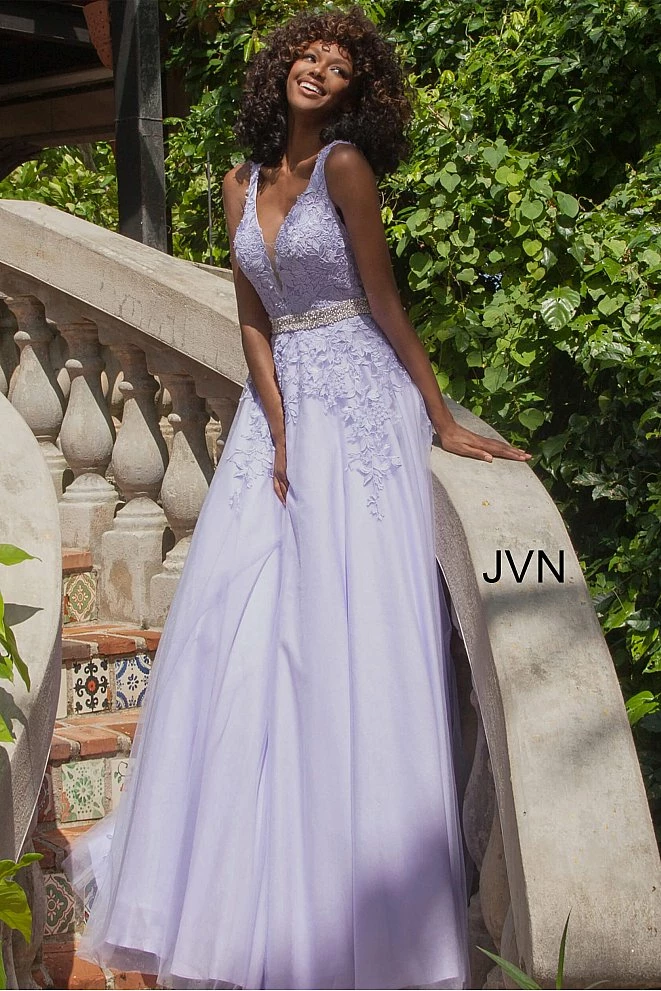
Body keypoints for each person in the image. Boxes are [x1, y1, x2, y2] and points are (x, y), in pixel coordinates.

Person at [63, 6, 531, 990]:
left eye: (339, 65)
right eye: (308, 55)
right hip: (279, 418)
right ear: (281, 67)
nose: (318, 69)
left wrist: (439, 418)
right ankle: (245, 893)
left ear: (356, 91)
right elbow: (251, 319)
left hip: (359, 401)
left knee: (344, 632)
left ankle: (362, 909)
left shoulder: (344, 170)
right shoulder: (237, 181)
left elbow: (383, 302)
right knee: (239, 635)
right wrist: (277, 425)